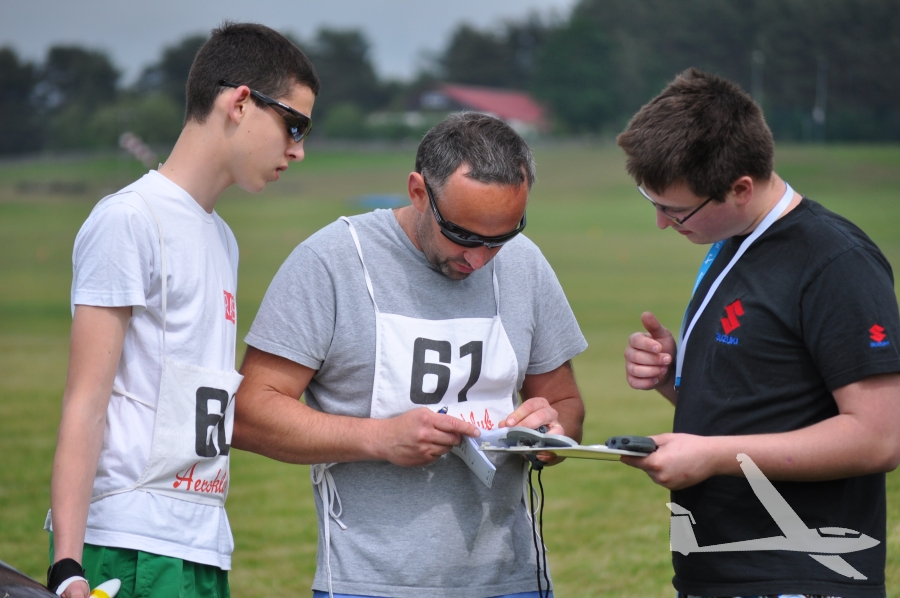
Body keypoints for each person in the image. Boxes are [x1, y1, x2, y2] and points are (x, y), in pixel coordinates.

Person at [233, 111, 587, 598]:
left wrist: (550, 431)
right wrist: (379, 439)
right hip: (370, 584)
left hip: (513, 580)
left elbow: (567, 405)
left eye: (501, 237)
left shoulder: (527, 263)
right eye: (463, 235)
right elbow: (248, 413)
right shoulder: (332, 261)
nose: (479, 258)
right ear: (418, 192)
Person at [45, 22, 319, 598]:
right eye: (294, 125)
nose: (298, 150)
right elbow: (85, 402)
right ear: (239, 103)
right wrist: (67, 565)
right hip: (129, 544)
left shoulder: (223, 238)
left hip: (201, 544)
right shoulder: (129, 220)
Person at [619, 68, 900, 597]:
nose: (661, 223)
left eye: (674, 210)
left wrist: (712, 456)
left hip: (802, 575)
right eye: (651, 201)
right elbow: (763, 399)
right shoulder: (732, 242)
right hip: (719, 571)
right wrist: (674, 376)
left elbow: (880, 437)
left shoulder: (836, 262)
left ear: (740, 188)